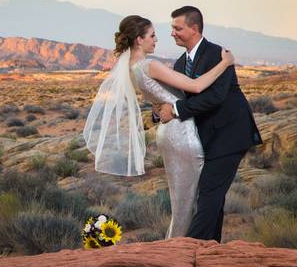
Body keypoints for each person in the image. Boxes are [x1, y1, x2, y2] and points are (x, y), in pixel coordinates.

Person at [83, 14, 235, 238]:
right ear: (138, 40)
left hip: (169, 132)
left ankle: (183, 249)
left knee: (183, 201)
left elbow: (161, 98)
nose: (156, 40)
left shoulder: (131, 68)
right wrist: (225, 62)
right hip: (181, 133)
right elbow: (195, 86)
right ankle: (179, 252)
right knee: (189, 202)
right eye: (152, 36)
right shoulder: (149, 65)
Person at [154, 6, 263, 242]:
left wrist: (174, 111)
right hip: (207, 139)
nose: (172, 33)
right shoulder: (181, 63)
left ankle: (187, 250)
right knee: (212, 198)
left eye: (177, 28)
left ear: (194, 29)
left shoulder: (218, 55)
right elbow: (177, 98)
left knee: (209, 194)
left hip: (230, 135)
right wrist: (161, 111)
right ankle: (209, 249)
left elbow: (215, 97)